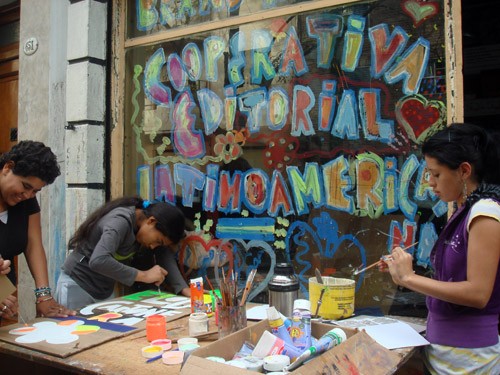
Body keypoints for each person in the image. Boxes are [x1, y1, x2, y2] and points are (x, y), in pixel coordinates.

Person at [382, 123, 500, 374]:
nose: (431, 184)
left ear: (464, 171)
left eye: (436, 175)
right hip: (446, 352)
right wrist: (402, 270)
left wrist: (409, 278)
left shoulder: (486, 213)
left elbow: (478, 294)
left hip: (471, 359)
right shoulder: (464, 211)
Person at [55, 196, 191, 310]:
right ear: (151, 221)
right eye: (158, 241)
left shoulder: (143, 229)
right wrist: (144, 275)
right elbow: (98, 260)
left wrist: (184, 289)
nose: (153, 246)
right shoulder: (120, 221)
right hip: (78, 285)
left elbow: (163, 253)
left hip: (104, 290)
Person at [0, 140, 75, 319]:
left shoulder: (25, 200)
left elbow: (33, 244)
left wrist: (44, 296)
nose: (27, 195)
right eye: (25, 186)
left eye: (35, 191)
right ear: (8, 167)